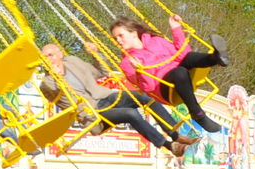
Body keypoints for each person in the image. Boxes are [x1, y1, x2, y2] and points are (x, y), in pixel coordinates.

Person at [38, 42, 189, 157]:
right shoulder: (47, 83)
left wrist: (96, 55)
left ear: (60, 54)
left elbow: (102, 72)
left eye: (50, 55)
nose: (47, 59)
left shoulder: (73, 62)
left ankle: (176, 134)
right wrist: (58, 79)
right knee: (130, 113)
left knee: (143, 96)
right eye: (44, 57)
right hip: (94, 113)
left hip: (105, 96)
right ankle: (168, 145)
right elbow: (59, 97)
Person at [106, 16, 228, 134]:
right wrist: (140, 71)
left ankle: (215, 58)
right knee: (179, 72)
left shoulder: (156, 41)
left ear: (133, 33)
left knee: (188, 57)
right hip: (164, 88)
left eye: (121, 36)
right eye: (115, 38)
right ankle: (197, 114)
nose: (118, 41)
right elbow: (148, 88)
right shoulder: (127, 62)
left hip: (181, 75)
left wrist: (176, 29)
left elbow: (182, 54)